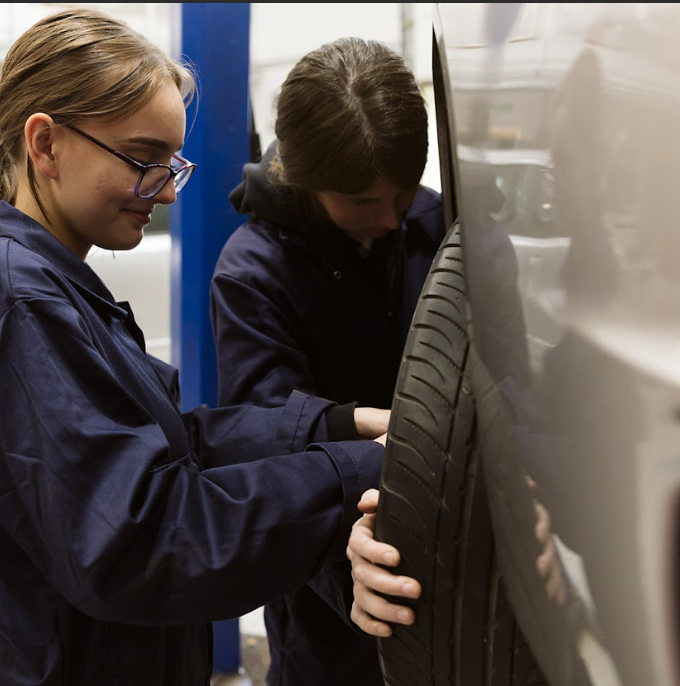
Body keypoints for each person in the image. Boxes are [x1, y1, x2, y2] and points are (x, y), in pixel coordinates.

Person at [0, 9, 419, 685]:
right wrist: (351, 470)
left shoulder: (52, 285)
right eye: (143, 160)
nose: (167, 192)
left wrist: (337, 426)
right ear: (46, 144)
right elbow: (141, 541)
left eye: (169, 163)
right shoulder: (15, 303)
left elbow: (172, 445)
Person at [209, 37, 446, 686]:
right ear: (308, 185)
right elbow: (274, 453)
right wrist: (353, 584)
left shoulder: (432, 224)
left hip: (451, 567)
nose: (393, 219)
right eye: (365, 203)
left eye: (402, 193)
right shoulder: (253, 273)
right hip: (327, 599)